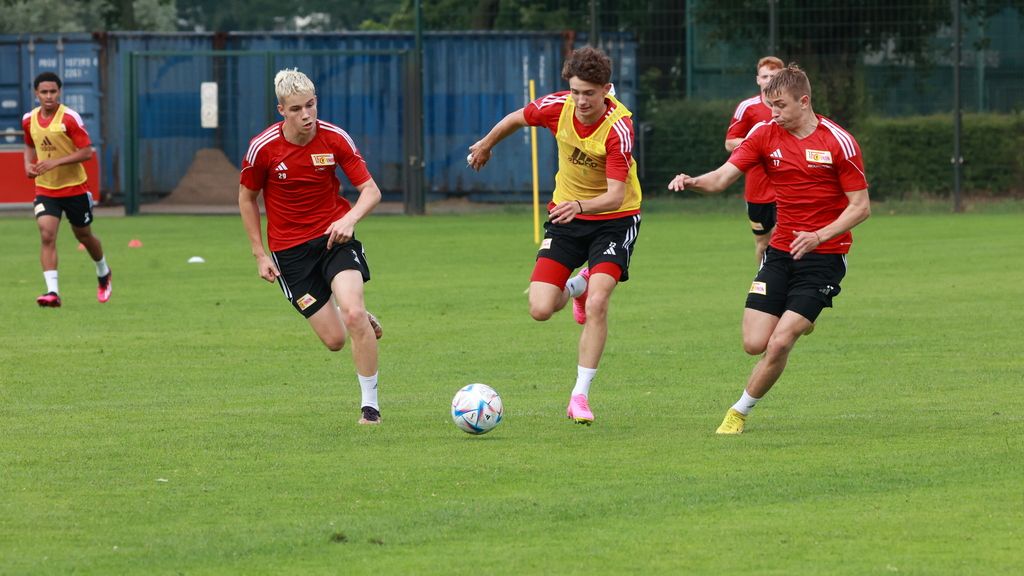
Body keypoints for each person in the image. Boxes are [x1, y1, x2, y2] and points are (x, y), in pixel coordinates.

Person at [668, 64, 870, 434]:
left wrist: (819, 236)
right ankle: (801, 317)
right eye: (769, 105)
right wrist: (693, 181)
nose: (772, 113)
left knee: (778, 343)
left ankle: (738, 411)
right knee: (754, 343)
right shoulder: (764, 134)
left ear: (804, 101)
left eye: (779, 105)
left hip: (823, 258)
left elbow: (861, 207)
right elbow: (722, 178)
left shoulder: (837, 142)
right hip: (780, 253)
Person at [468, 46, 642, 426]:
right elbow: (516, 118)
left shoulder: (619, 128)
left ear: (606, 89)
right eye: (576, 90)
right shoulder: (556, 106)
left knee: (600, 303)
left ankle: (579, 395)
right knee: (541, 308)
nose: (581, 100)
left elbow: (614, 193)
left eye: (590, 93)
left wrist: (580, 205)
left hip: (614, 218)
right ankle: (576, 287)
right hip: (567, 215)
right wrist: (485, 144)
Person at [239, 68, 385, 425]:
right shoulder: (263, 148)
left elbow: (371, 191)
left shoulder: (335, 139)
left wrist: (349, 219)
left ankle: (371, 407)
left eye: (311, 105)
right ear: (281, 110)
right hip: (290, 254)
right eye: (296, 109)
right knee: (335, 339)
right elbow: (247, 198)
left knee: (350, 312)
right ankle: (358, 316)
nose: (306, 115)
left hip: (334, 239)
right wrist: (259, 254)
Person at [22, 71, 111, 307]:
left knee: (83, 235)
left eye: (53, 91)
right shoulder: (28, 119)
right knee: (47, 234)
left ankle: (103, 271)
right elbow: (29, 144)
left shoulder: (70, 118)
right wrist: (28, 165)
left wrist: (55, 162)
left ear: (59, 92)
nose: (49, 96)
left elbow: (87, 152)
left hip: (75, 189)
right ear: (36, 93)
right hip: (46, 189)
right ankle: (52, 292)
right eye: (44, 92)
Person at [725, 56, 784, 266]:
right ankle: (762, 280)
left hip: (786, 186)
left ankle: (786, 281)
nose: (769, 80)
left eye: (774, 76)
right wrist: (758, 145)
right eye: (765, 76)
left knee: (784, 237)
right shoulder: (748, 108)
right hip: (757, 189)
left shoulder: (793, 107)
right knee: (763, 242)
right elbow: (730, 143)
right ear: (758, 80)